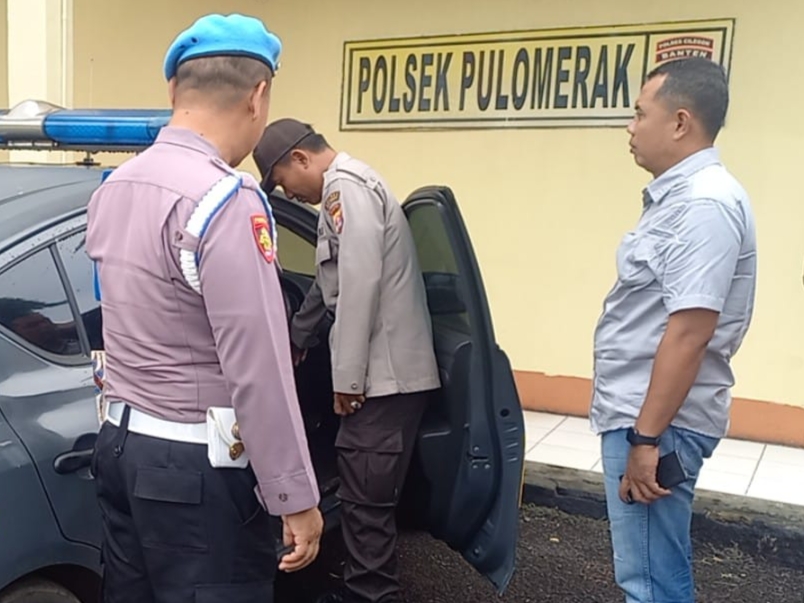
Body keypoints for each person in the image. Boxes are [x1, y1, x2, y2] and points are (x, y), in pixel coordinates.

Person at [86, 14, 323, 603]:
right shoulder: (225, 199)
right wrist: (294, 495)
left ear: (174, 90)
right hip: (195, 469)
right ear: (258, 96)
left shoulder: (114, 187)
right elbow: (258, 364)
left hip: (120, 447)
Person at [590, 56, 757, 603]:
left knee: (650, 582)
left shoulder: (703, 204)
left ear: (680, 122)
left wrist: (646, 439)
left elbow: (690, 333)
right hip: (649, 415)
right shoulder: (683, 199)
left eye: (641, 113)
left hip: (659, 422)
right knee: (651, 573)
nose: (630, 127)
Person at [253, 119, 441, 603]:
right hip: (382, 374)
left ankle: (369, 595)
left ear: (300, 158)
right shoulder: (343, 191)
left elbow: (360, 283)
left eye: (283, 182)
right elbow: (328, 279)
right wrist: (299, 335)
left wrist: (348, 378)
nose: (289, 195)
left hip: (383, 378)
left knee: (364, 500)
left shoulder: (347, 188)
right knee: (362, 495)